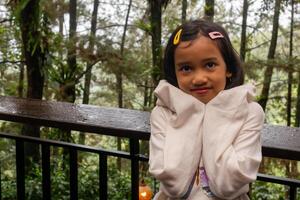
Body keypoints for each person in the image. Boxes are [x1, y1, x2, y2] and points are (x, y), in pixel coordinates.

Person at [148, 19, 265, 200]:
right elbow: (174, 186)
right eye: (186, 68)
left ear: (228, 68)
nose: (199, 78)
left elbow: (228, 186)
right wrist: (190, 110)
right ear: (175, 72)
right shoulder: (163, 113)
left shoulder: (250, 112)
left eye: (210, 65)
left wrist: (215, 110)